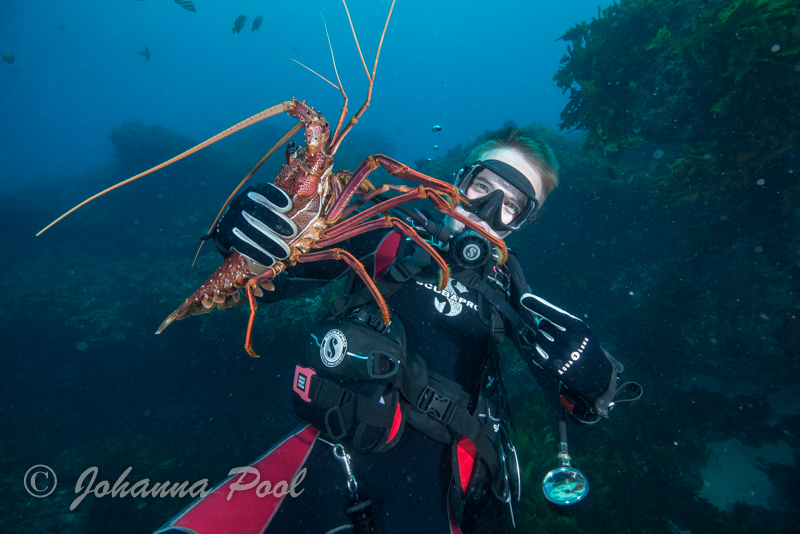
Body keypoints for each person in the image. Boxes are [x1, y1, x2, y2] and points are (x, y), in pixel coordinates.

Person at [155, 127, 636, 534]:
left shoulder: (511, 289)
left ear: (525, 222)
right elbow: (282, 279)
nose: (487, 209)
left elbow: (579, 407)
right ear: (456, 178)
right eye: (482, 185)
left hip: (443, 486)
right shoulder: (389, 228)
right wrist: (250, 243)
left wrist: (591, 372)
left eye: (511, 205)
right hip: (331, 457)